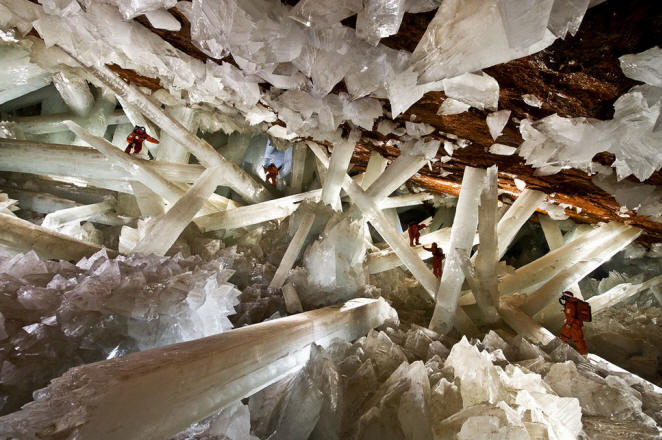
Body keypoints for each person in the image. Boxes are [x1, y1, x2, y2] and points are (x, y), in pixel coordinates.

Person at [559, 291, 591, 355]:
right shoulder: (572, 302)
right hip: (573, 323)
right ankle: (560, 349)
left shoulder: (570, 304)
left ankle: (584, 353)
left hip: (573, 324)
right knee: (564, 335)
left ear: (566, 296)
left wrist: (568, 324)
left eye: (564, 295)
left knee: (578, 339)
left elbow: (571, 315)